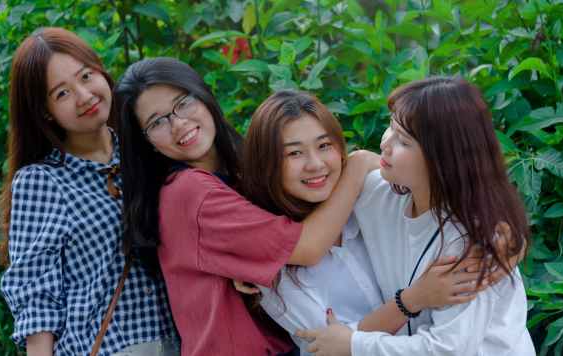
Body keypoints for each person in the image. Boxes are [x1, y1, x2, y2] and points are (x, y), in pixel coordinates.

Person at [114, 57, 378, 356]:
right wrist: (357, 167)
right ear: (146, 140)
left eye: (183, 103)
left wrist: (253, 267)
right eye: (157, 122)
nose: (179, 124)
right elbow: (307, 247)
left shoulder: (235, 171)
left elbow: (280, 234)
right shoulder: (189, 192)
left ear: (203, 95)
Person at [238, 90, 512, 355]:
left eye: (324, 145)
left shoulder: (370, 196)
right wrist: (412, 299)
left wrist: (509, 234)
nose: (315, 164)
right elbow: (328, 345)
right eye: (294, 153)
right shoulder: (272, 264)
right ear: (267, 164)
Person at [297, 76, 535, 356]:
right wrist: (251, 259)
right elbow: (305, 223)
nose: (386, 144)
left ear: (443, 158)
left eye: (404, 141)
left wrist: (353, 344)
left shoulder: (471, 245)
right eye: (390, 126)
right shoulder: (379, 194)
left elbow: (448, 350)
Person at [0, 28, 179, 356]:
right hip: (110, 347)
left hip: (184, 340)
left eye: (85, 76)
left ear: (100, 70)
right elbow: (35, 296)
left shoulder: (148, 147)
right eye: (62, 93)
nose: (84, 96)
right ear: (45, 111)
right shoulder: (43, 182)